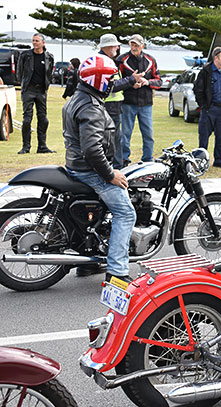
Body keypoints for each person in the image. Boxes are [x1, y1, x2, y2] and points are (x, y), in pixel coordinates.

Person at [63, 54, 137, 282]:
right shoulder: (91, 107)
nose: (112, 82)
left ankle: (87, 264)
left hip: (76, 165)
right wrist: (109, 174)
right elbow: (92, 149)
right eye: (109, 78)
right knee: (126, 213)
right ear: (98, 80)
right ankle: (117, 272)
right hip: (90, 170)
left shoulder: (79, 96)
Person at [98, 33, 144, 170]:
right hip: (108, 105)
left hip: (114, 105)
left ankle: (115, 165)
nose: (118, 48)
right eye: (115, 45)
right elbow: (110, 85)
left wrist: (131, 83)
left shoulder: (109, 60)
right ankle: (115, 166)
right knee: (112, 138)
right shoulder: (104, 61)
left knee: (114, 138)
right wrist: (131, 79)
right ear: (108, 47)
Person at [116, 34, 162, 166]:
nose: (134, 47)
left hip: (146, 104)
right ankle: (124, 160)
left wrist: (147, 82)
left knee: (148, 134)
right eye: (132, 44)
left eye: (136, 44)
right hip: (127, 103)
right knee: (125, 135)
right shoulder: (121, 59)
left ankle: (148, 160)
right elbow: (116, 81)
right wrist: (131, 84)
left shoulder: (150, 60)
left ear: (143, 45)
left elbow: (159, 81)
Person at [193, 46, 221, 169]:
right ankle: (201, 161)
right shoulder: (205, 71)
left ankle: (219, 160)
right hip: (209, 109)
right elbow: (198, 89)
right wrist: (204, 105)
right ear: (216, 58)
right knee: (204, 136)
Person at [16, 33, 55, 154]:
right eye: (33, 41)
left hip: (41, 91)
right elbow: (19, 71)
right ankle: (26, 147)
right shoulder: (25, 55)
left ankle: (42, 146)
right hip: (28, 89)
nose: (34, 43)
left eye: (37, 41)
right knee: (27, 119)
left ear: (43, 43)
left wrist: (46, 86)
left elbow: (49, 73)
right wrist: (23, 84)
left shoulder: (49, 57)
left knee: (43, 119)